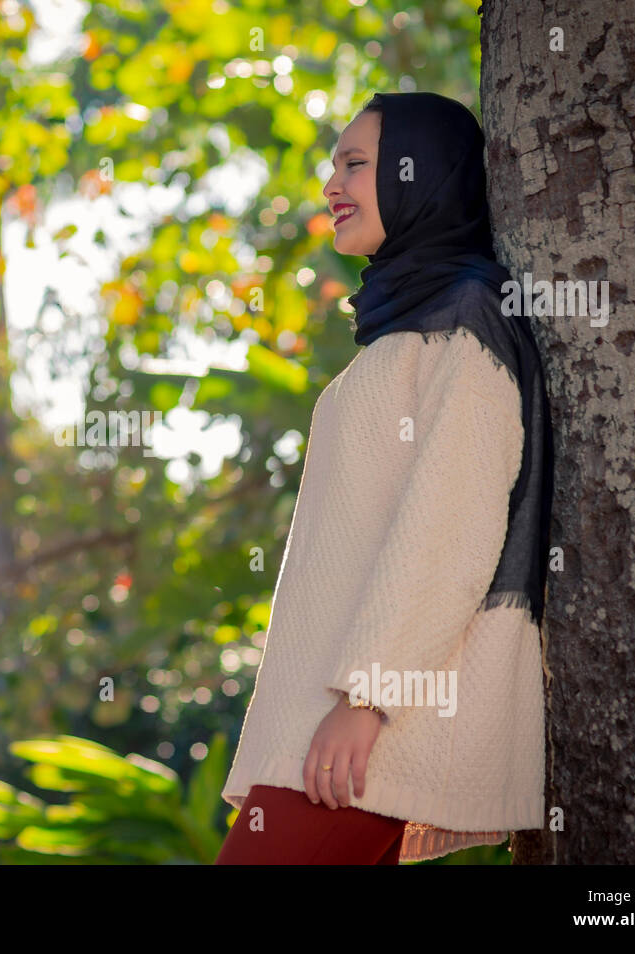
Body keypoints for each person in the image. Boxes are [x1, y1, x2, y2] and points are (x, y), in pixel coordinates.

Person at [215, 91, 555, 865]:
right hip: (335, 721)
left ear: (422, 174)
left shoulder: (467, 316)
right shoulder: (404, 329)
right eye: (333, 165)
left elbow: (453, 520)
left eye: (356, 164)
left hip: (374, 723)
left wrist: (369, 696)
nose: (332, 185)